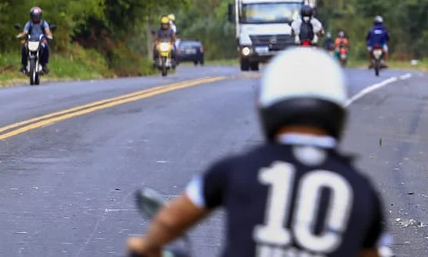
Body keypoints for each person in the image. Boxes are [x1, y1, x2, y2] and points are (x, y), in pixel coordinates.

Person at [125, 47, 392, 257]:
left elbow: (170, 221)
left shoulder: (234, 170)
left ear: (265, 109)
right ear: (338, 113)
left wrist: (146, 245)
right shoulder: (362, 191)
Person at [17, 6, 53, 74]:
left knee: (46, 47)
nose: (36, 18)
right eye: (34, 16)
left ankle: (44, 65)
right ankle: (24, 65)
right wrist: (21, 35)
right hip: (31, 41)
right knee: (24, 47)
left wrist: (49, 35)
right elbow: (25, 32)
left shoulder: (43, 23)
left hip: (41, 40)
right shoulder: (29, 24)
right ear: (31, 16)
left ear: (40, 16)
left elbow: (47, 31)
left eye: (37, 16)